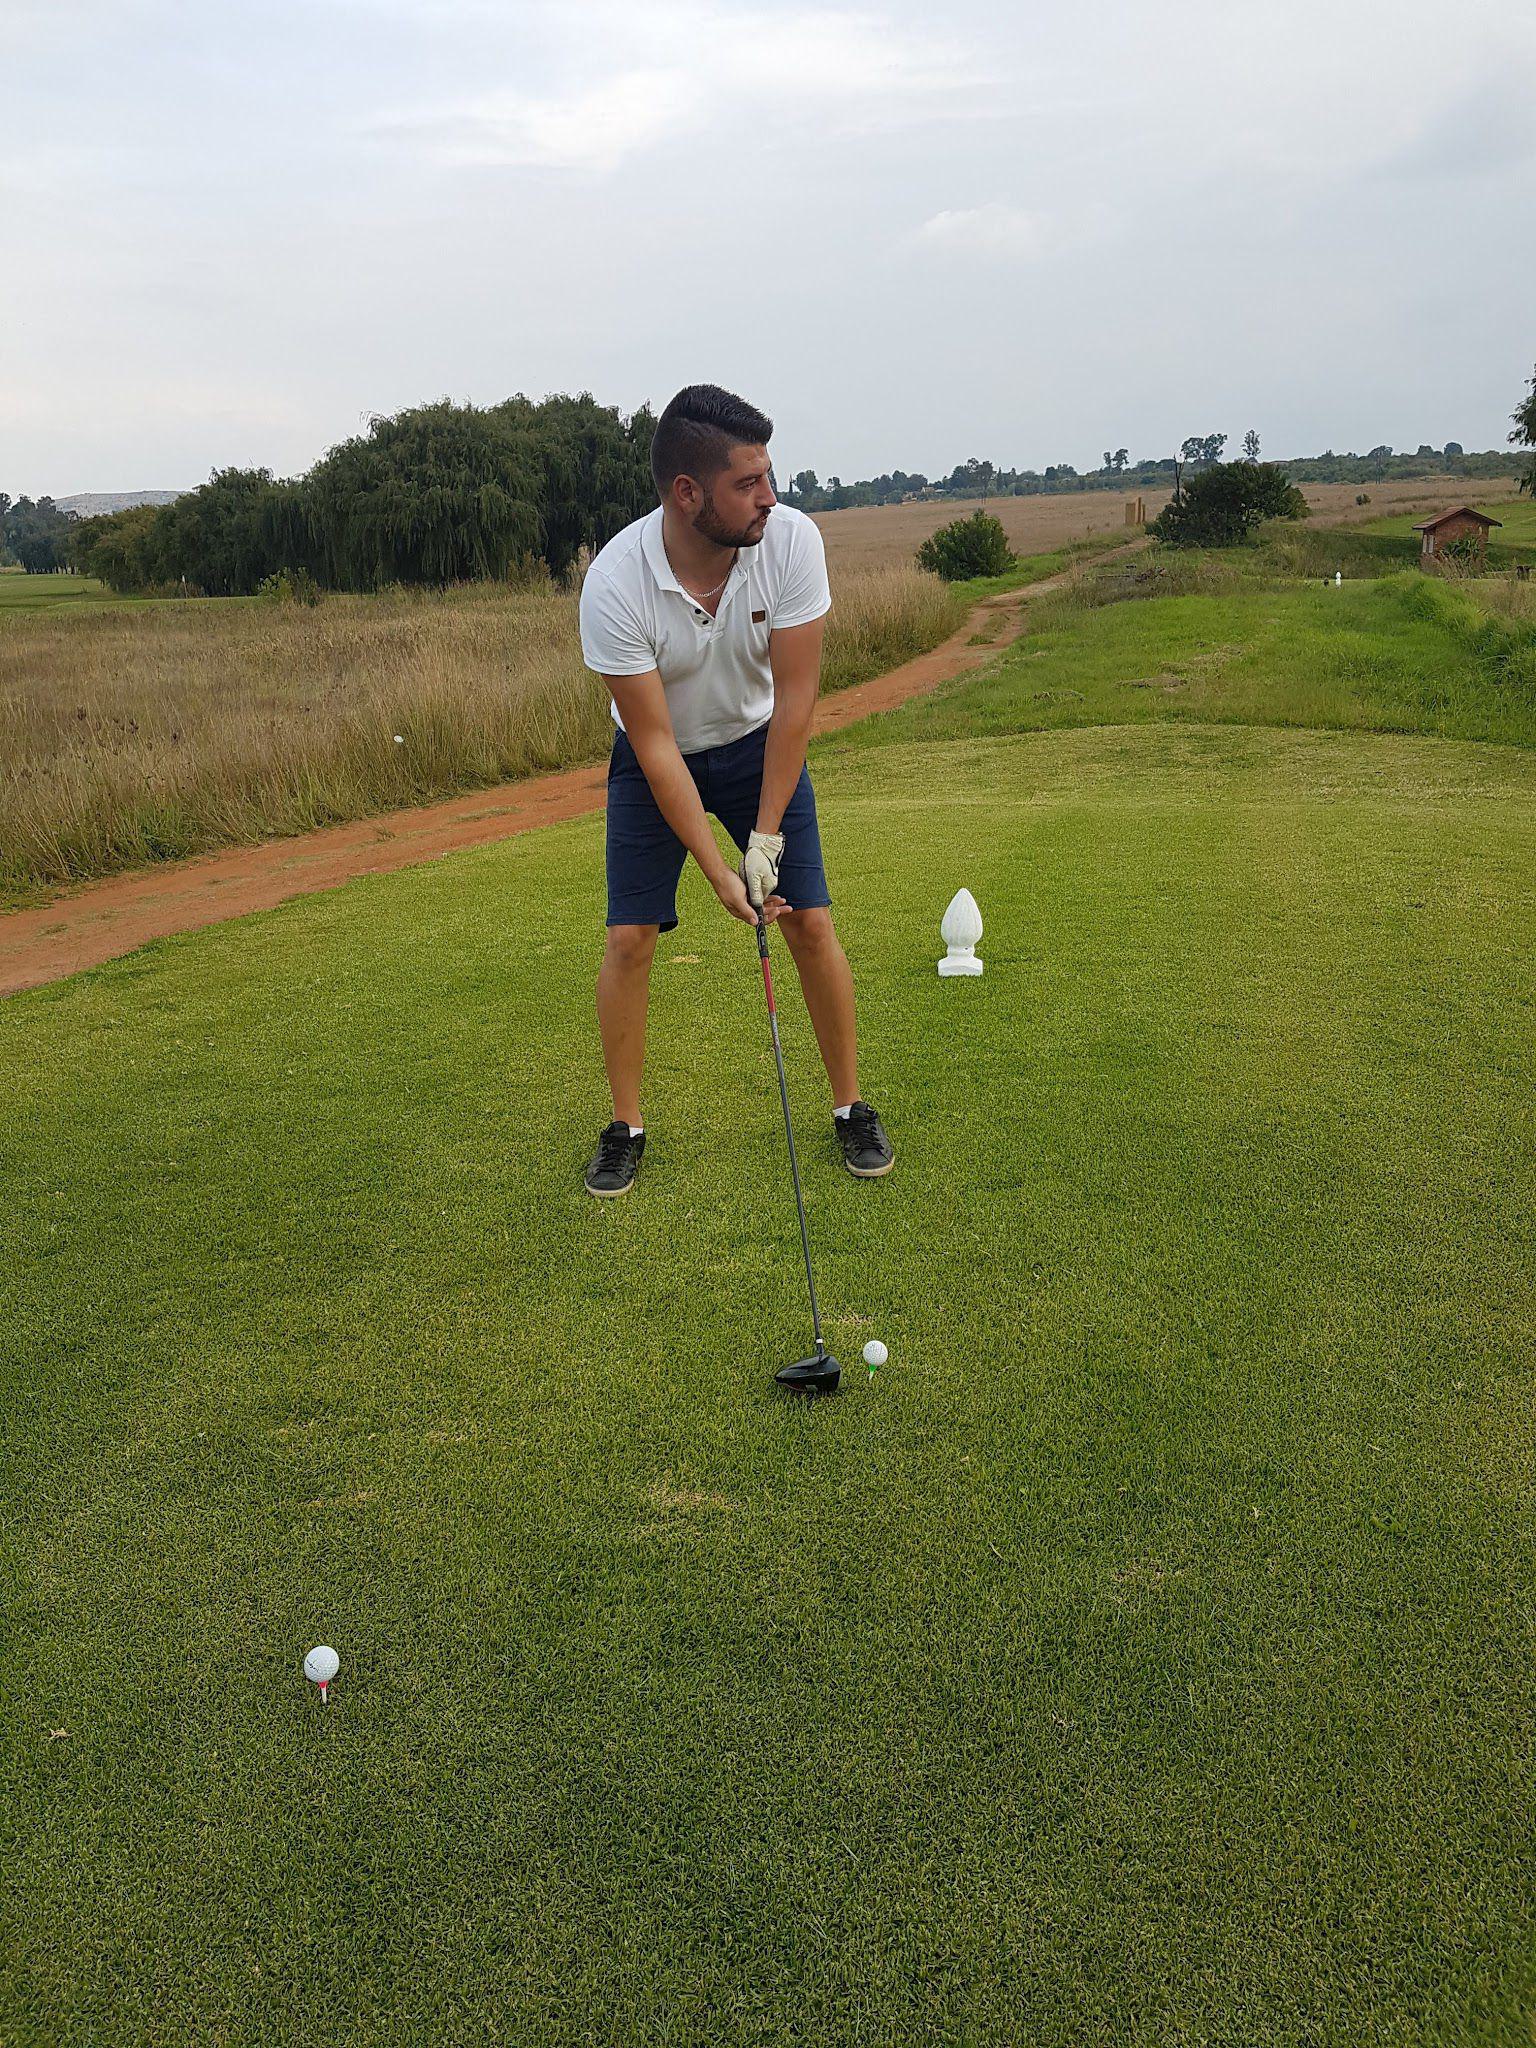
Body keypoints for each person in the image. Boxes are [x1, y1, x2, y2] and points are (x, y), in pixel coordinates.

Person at [577, 383, 896, 1198]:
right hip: (658, 763)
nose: (770, 496)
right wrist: (722, 873)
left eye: (769, 474)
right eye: (747, 483)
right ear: (688, 495)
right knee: (629, 940)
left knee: (812, 924)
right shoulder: (615, 583)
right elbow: (652, 742)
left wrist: (765, 841)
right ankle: (626, 1127)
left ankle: (850, 1106)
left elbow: (795, 702)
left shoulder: (790, 542)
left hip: (761, 747)